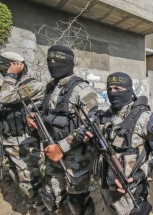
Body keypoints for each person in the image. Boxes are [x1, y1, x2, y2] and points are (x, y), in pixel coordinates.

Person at [80, 72, 153, 215]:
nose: (112, 92)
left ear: (128, 90)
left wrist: (141, 174)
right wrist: (85, 137)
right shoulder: (104, 117)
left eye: (118, 88)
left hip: (129, 194)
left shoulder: (145, 117)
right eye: (110, 88)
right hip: (103, 191)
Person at [27, 45, 98, 214]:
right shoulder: (50, 87)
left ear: (69, 63)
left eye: (58, 61)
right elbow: (43, 110)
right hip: (51, 153)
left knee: (78, 202)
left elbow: (91, 125)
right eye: (50, 61)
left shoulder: (83, 89)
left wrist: (61, 148)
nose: (53, 64)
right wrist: (30, 116)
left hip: (76, 159)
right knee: (52, 198)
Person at [0, 52, 48, 214]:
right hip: (8, 142)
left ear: (16, 65)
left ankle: (41, 211)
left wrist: (11, 76)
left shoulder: (32, 85)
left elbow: (5, 97)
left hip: (25, 144)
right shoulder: (8, 84)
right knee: (19, 180)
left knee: (30, 183)